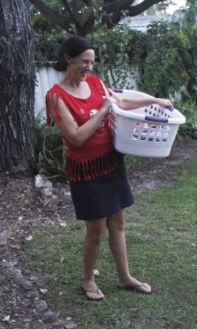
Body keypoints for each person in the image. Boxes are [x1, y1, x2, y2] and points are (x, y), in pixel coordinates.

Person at [45, 36, 172, 301]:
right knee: (96, 229)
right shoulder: (56, 97)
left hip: (111, 164)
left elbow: (121, 104)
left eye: (91, 62)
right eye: (83, 62)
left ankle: (124, 277)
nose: (88, 68)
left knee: (118, 222)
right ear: (69, 58)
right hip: (86, 171)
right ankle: (88, 279)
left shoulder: (95, 83)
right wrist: (103, 111)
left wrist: (155, 101)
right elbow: (76, 137)